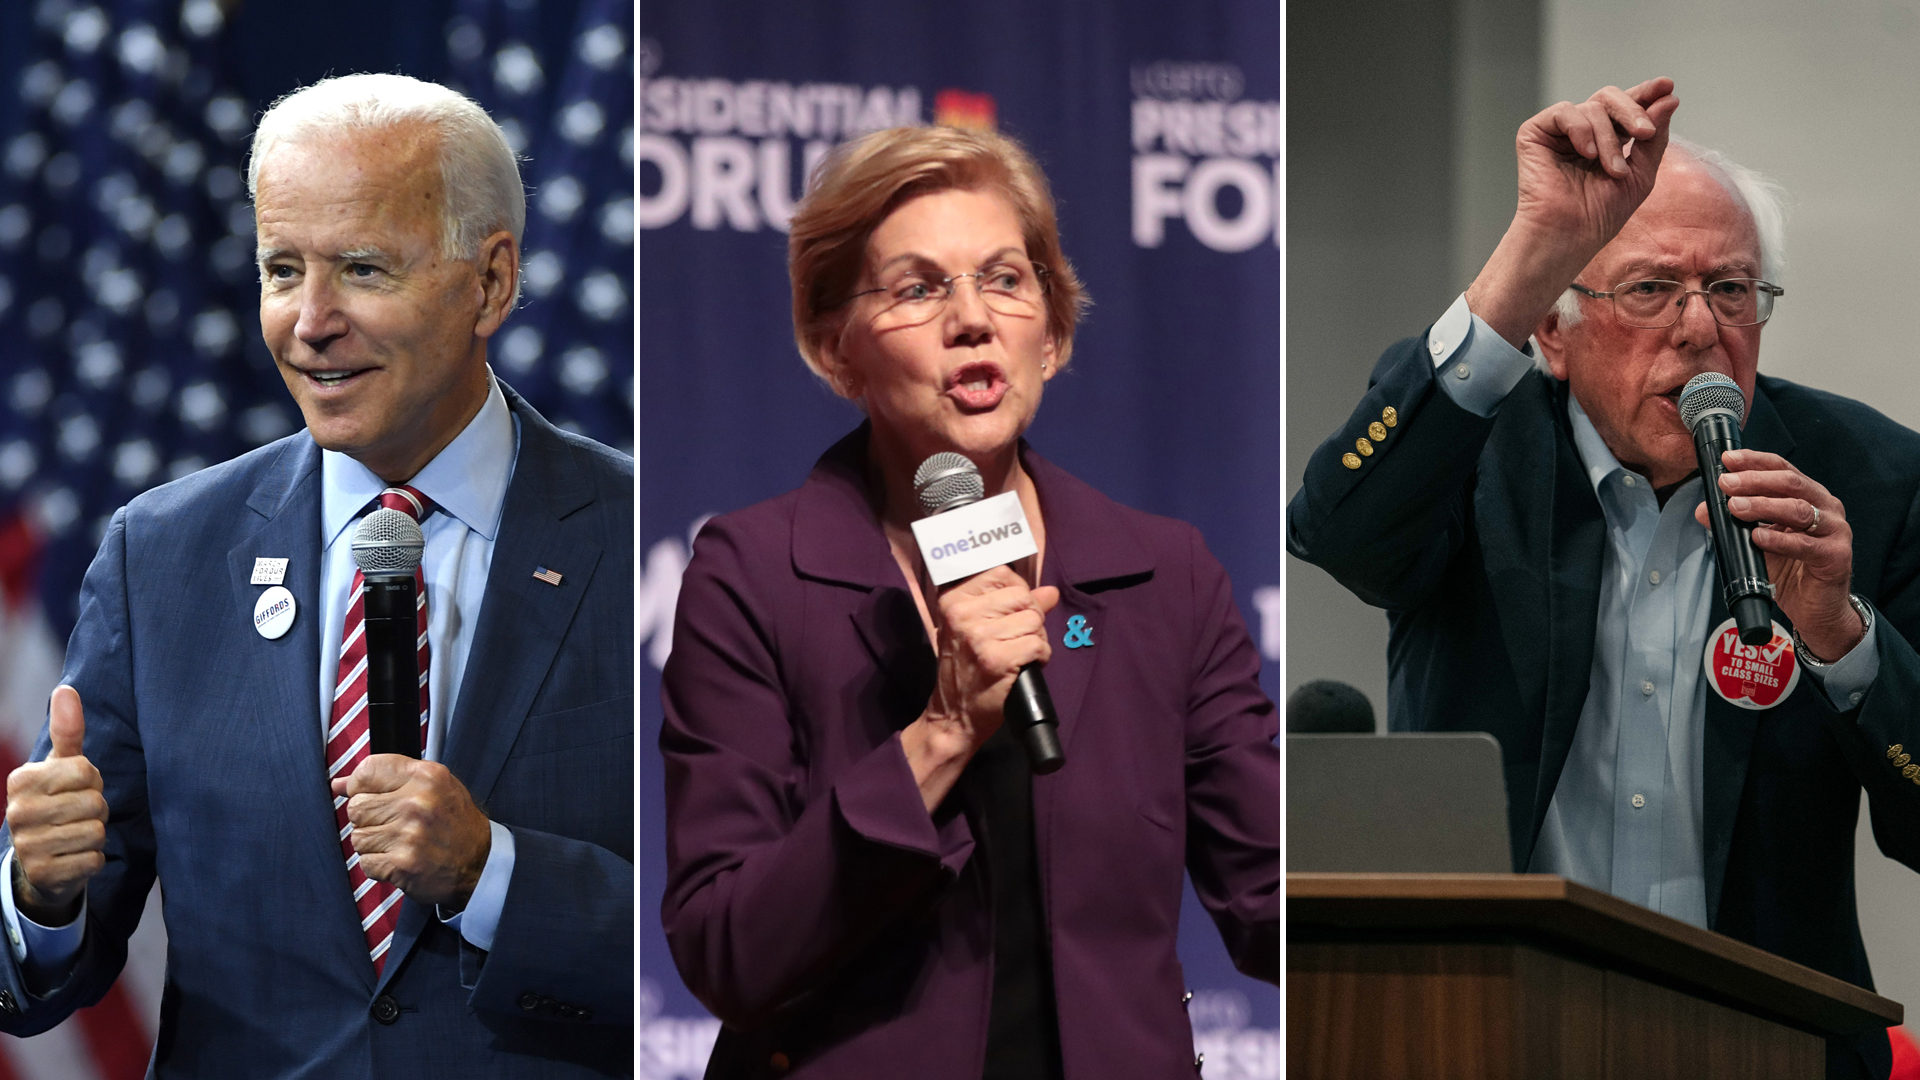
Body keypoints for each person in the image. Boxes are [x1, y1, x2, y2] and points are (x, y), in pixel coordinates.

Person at [1288, 76, 1920, 1079]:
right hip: (1486, 1039)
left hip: (1766, 1051)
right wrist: (1535, 248)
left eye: (1731, 290)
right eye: (1649, 289)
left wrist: (1843, 639)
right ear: (1552, 328)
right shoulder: (1471, 454)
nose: (1701, 329)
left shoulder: (1868, 483)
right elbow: (1338, 530)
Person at [0, 74, 632, 1075]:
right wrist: (41, 893)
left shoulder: (641, 542)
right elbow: (38, 985)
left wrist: (491, 872)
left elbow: (729, 940)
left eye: (364, 269)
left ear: (492, 282)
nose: (310, 320)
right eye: (282, 268)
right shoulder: (158, 557)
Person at [659, 125, 1278, 1079]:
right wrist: (941, 733)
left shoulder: (1165, 576)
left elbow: (1272, 900)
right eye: (917, 288)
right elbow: (726, 951)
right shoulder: (754, 576)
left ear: (1054, 330)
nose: (972, 319)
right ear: (835, 348)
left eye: (1005, 278)